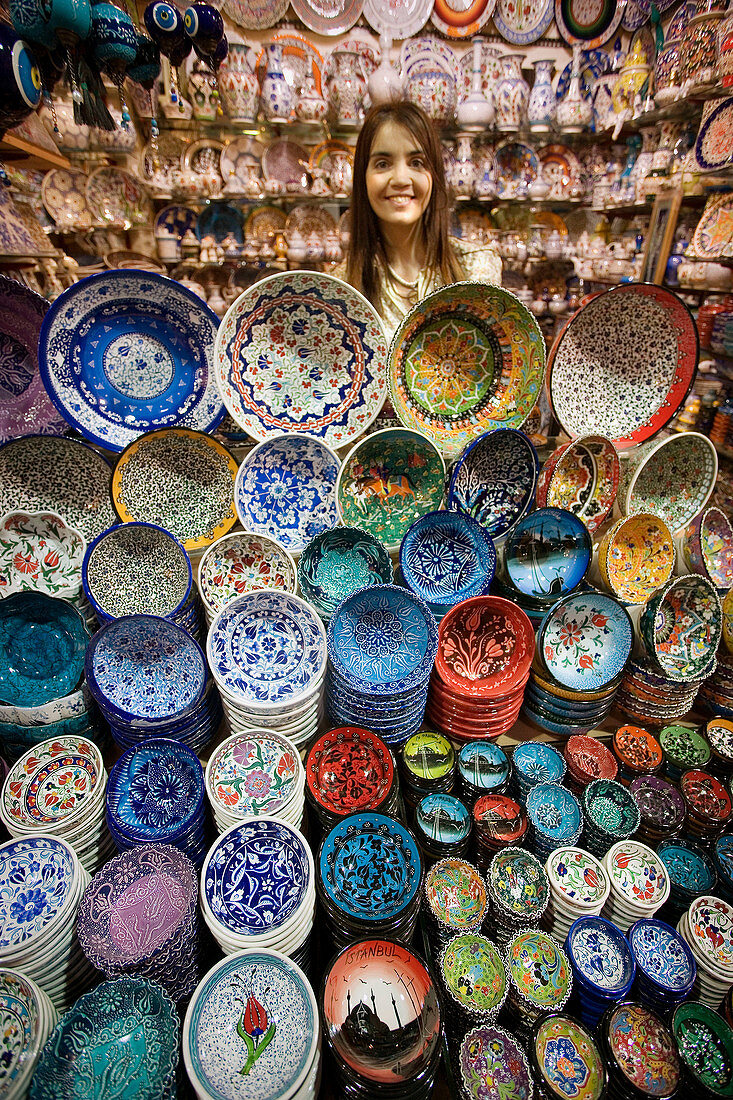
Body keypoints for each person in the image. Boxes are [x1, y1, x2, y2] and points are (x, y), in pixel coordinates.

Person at [332, 100, 502, 340]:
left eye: (416, 163)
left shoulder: (477, 268)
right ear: (363, 178)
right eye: (383, 164)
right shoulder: (341, 288)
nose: (401, 178)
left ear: (434, 175)